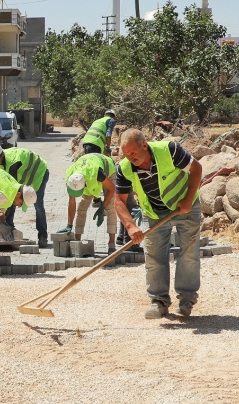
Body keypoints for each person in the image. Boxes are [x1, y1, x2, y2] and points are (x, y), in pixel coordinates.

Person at [114, 129, 203, 319]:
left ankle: (186, 300)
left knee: (188, 253)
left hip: (184, 205)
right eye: (126, 155)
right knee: (154, 257)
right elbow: (119, 201)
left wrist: (187, 200)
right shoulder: (124, 168)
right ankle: (159, 301)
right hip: (154, 212)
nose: (130, 158)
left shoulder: (169, 150)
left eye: (133, 153)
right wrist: (131, 226)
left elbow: (197, 169)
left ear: (144, 145)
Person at [0, 144, 50, 248]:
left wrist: (1, 209)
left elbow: (12, 191)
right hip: (26, 175)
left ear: (1, 156)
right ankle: (9, 227)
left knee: (38, 205)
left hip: (39, 173)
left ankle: (42, 235)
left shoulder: (13, 163)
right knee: (11, 198)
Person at [58, 153, 118, 253]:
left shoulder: (97, 173)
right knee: (81, 208)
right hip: (87, 168)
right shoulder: (71, 178)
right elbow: (72, 202)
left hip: (107, 168)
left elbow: (112, 188)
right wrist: (69, 225)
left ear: (85, 183)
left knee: (110, 207)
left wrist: (102, 207)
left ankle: (111, 244)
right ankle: (77, 242)